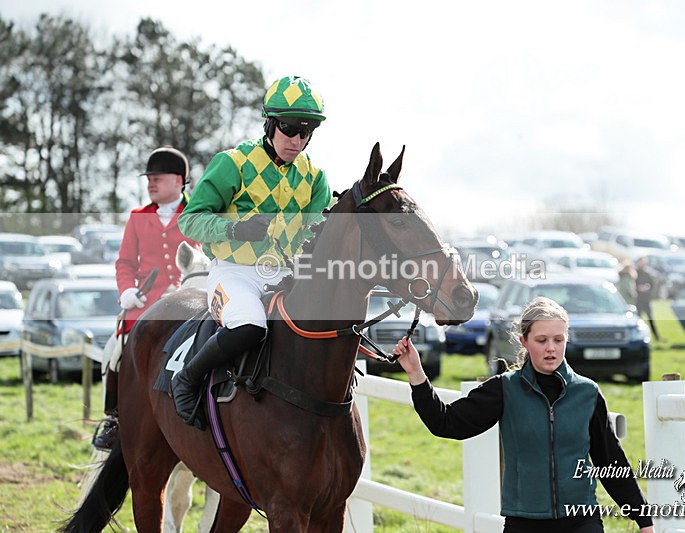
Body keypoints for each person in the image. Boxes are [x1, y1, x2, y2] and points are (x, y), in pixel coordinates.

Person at [393, 297, 655, 533]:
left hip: (581, 520)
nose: (551, 348)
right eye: (541, 340)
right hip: (524, 522)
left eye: (558, 339)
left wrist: (644, 521)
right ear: (524, 342)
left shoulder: (587, 393)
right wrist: (416, 373)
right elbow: (446, 423)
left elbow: (610, 459)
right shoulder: (505, 389)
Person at [173, 75, 332, 428]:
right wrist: (234, 228)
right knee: (250, 326)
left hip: (287, 277)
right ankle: (187, 379)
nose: (297, 140)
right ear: (270, 123)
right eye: (290, 128)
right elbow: (190, 220)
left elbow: (318, 232)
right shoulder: (233, 163)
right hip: (234, 272)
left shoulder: (315, 177)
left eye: (306, 132)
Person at [92, 146, 201, 450]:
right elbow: (125, 262)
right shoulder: (138, 216)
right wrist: (126, 289)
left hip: (189, 303)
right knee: (114, 351)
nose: (151, 184)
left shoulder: (196, 215)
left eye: (158, 178)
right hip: (143, 304)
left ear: (179, 180)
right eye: (149, 179)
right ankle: (114, 419)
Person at [634, 256, 660, 340]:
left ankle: (656, 336)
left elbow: (653, 285)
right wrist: (638, 288)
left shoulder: (648, 273)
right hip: (638, 299)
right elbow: (632, 285)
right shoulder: (635, 272)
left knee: (650, 318)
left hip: (646, 299)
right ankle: (638, 336)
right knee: (638, 318)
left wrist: (647, 289)